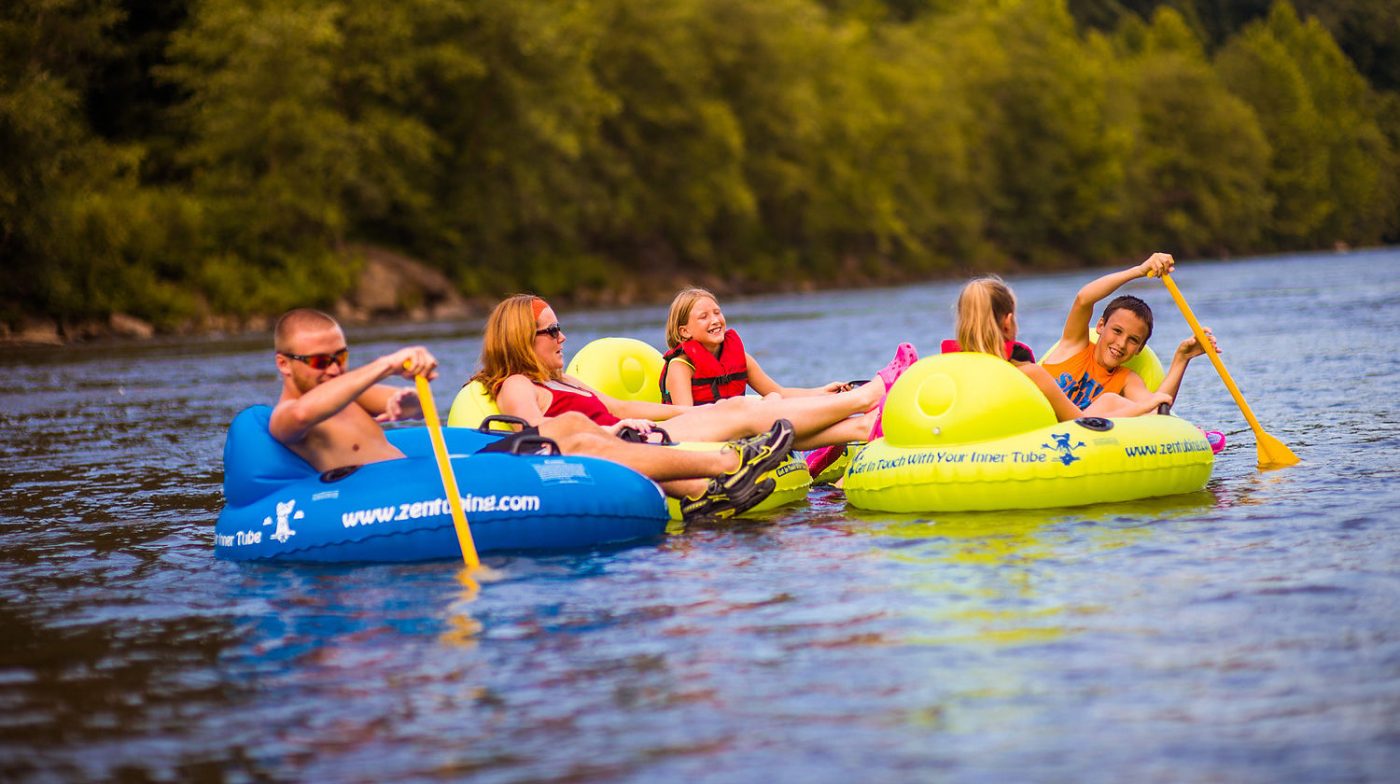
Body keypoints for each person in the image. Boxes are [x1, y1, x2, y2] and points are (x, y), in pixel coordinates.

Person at [267, 308, 790, 520]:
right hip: (389, 494)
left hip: (426, 470)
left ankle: (700, 494)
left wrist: (406, 394)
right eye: (321, 360)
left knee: (574, 425)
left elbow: (396, 403)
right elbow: (314, 409)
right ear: (285, 365)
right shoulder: (287, 417)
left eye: (341, 356)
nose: (336, 368)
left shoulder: (348, 392)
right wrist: (382, 363)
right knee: (572, 440)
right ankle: (726, 464)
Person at [469, 295, 915, 452]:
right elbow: (535, 434)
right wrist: (617, 428)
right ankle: (868, 396)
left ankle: (860, 424)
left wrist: (661, 418)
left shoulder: (562, 381)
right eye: (552, 330)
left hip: (642, 431)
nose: (562, 337)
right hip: (626, 446)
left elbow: (620, 405)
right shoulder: (516, 384)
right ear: (521, 339)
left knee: (741, 405)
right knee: (741, 410)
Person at [948, 275, 1171, 422]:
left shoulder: (952, 368)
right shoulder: (1029, 373)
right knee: (1108, 401)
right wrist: (1144, 407)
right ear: (1008, 322)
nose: (1121, 344)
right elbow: (1079, 424)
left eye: (1132, 340)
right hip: (1050, 440)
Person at [1039, 253, 1216, 413]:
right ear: (1101, 326)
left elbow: (1156, 410)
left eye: (1133, 340)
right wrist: (1139, 271)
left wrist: (1181, 359)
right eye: (1117, 331)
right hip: (1030, 416)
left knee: (1109, 401)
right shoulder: (1075, 344)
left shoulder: (1126, 380)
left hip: (1070, 436)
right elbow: (1083, 299)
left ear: (1140, 348)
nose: (1121, 344)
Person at [660, 288, 851, 405]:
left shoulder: (740, 358)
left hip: (737, 428)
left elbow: (780, 392)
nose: (715, 320)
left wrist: (822, 392)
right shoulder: (681, 367)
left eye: (717, 313)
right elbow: (685, 418)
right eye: (704, 317)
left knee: (773, 399)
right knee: (769, 403)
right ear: (684, 331)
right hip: (707, 436)